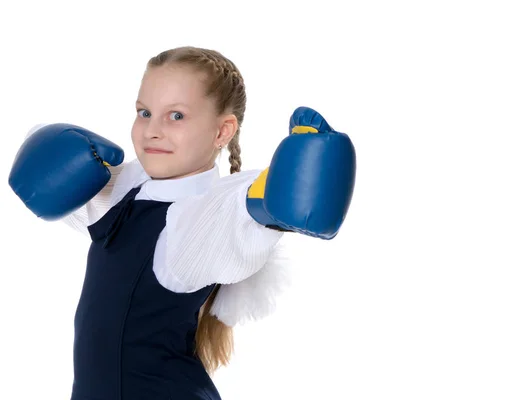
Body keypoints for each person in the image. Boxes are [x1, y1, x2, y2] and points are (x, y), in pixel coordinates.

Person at [8, 46, 356, 400]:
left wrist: (276, 196)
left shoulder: (194, 218)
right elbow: (77, 190)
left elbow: (236, 214)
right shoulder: (132, 188)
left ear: (222, 132)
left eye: (176, 116)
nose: (152, 131)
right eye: (144, 112)